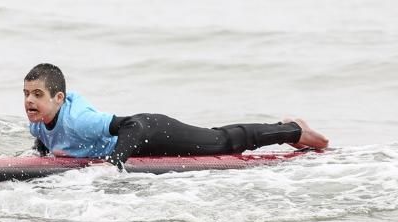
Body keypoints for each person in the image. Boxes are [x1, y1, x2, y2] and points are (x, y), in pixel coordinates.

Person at [23, 63, 328, 169]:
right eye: (26, 94)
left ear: (58, 98)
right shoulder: (38, 124)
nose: (29, 101)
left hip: (154, 131)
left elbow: (133, 125)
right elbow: (46, 140)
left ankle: (291, 130)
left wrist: (113, 164)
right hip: (145, 142)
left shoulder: (80, 120)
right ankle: (288, 128)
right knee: (216, 137)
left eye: (37, 94)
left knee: (222, 142)